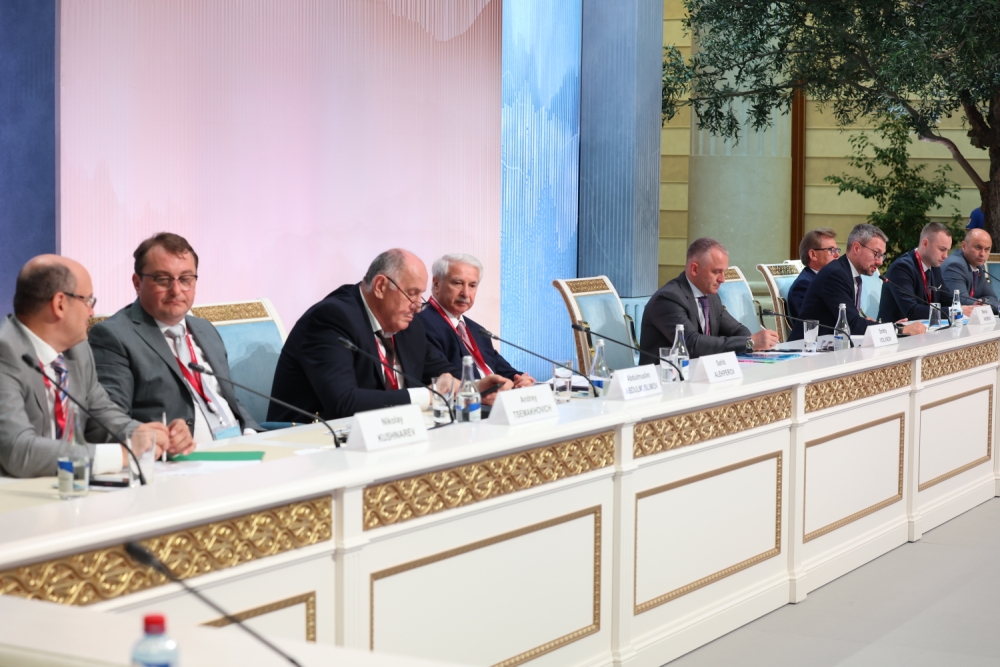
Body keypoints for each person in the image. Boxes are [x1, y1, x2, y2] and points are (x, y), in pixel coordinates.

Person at [268, 249, 512, 421]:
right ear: (380, 286)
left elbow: (443, 373)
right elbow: (344, 402)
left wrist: (476, 387)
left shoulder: (409, 324)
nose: (418, 305)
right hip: (308, 443)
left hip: (386, 435)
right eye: (412, 293)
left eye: (420, 295)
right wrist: (428, 395)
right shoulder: (332, 318)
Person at [0, 255, 176, 478]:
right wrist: (122, 454)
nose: (91, 312)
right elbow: (18, 450)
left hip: (69, 488)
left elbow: (102, 416)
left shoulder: (78, 350)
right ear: (60, 303)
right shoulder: (5, 353)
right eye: (88, 301)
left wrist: (147, 435)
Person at [89, 233, 258, 446]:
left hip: (240, 448)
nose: (176, 290)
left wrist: (250, 432)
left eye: (185, 279)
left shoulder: (205, 329)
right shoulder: (113, 336)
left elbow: (228, 398)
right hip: (179, 458)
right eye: (163, 279)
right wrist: (162, 440)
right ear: (137, 282)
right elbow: (110, 419)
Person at [640, 238, 779, 358]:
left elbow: (736, 330)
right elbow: (692, 344)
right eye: (716, 272)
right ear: (694, 269)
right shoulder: (668, 298)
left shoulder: (711, 296)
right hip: (669, 376)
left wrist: (751, 341)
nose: (722, 279)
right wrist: (749, 343)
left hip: (703, 372)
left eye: (724, 272)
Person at [418, 254, 533, 388]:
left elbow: (500, 367)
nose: (466, 293)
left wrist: (519, 379)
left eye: (472, 285)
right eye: (458, 283)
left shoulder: (477, 330)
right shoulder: (421, 323)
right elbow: (441, 374)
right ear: (436, 284)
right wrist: (482, 387)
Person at [795, 224, 926, 340]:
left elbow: (853, 322)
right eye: (876, 254)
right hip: (807, 351)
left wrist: (886, 327)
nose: (880, 262)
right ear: (856, 248)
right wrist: (900, 329)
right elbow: (852, 325)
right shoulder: (835, 275)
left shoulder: (849, 273)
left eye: (882, 256)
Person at [878, 222, 974, 323]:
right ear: (925, 244)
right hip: (898, 330)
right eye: (942, 249)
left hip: (925, 328)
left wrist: (971, 306)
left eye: (947, 250)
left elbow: (946, 299)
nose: (945, 256)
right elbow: (912, 311)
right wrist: (954, 311)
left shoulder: (934, 267)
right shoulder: (902, 268)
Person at [941, 228, 999, 314]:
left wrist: (983, 305)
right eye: (978, 247)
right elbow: (962, 301)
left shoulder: (979, 265)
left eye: (987, 249)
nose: (982, 254)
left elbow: (993, 298)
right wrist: (986, 305)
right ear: (964, 246)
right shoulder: (954, 265)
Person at [787, 228, 839, 318]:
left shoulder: (832, 279)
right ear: (813, 255)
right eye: (831, 250)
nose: (837, 255)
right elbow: (812, 321)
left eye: (837, 250)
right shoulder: (803, 285)